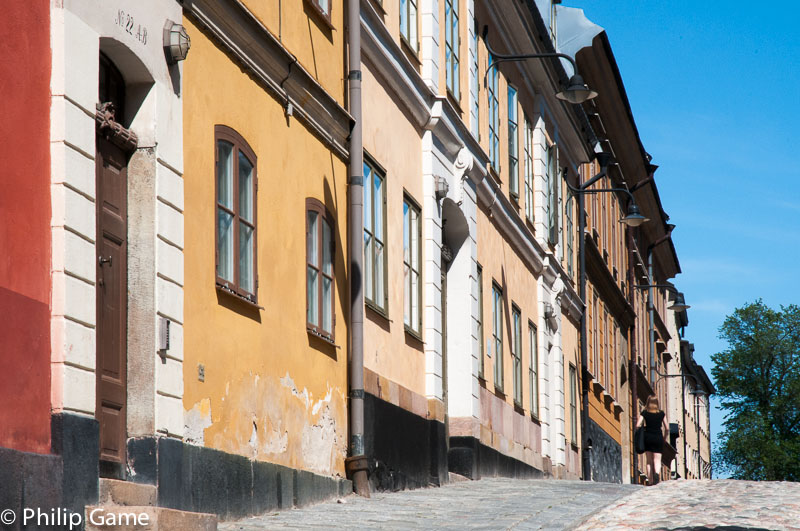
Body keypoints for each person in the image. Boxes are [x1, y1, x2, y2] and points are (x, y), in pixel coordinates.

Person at [636, 395, 668, 485]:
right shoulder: (661, 413)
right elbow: (667, 428)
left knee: (649, 461)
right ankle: (657, 474)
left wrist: (644, 429)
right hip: (658, 437)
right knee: (657, 459)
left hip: (648, 437)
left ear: (648, 403)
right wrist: (664, 438)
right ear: (657, 403)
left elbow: (638, 425)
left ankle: (650, 481)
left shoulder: (645, 412)